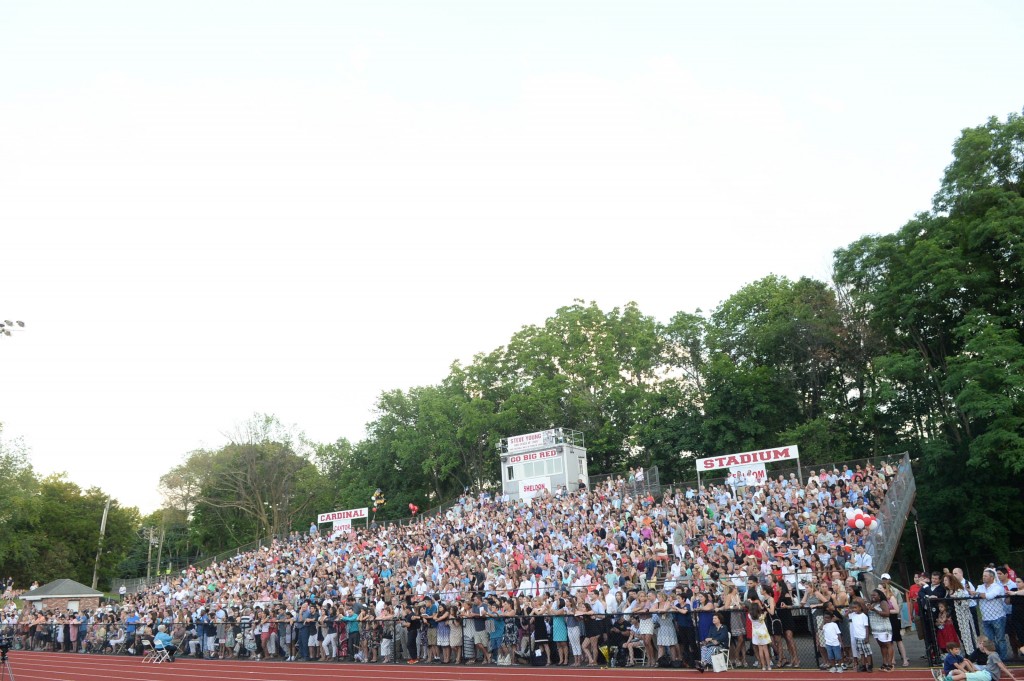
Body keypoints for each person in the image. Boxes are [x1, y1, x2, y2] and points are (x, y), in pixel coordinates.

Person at [946, 635, 1017, 681]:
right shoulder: (993, 654)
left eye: (984, 645)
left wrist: (1013, 678)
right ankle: (948, 679)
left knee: (965, 675)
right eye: (980, 643)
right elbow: (1000, 665)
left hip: (988, 675)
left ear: (986, 648)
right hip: (985, 672)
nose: (982, 647)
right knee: (965, 677)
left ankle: (946, 679)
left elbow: (1002, 666)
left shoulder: (993, 655)